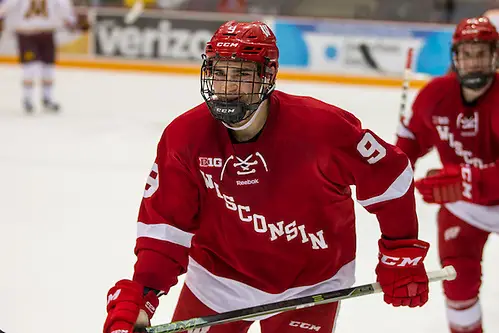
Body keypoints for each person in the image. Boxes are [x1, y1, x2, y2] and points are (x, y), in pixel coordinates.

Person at [104, 20, 430, 333]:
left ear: (267, 75)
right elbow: (166, 229)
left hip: (311, 283)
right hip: (217, 281)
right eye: (219, 73)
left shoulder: (322, 129)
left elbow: (390, 175)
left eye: (243, 74)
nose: (229, 87)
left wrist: (399, 252)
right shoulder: (184, 137)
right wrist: (144, 294)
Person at [396, 16, 499, 333]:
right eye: (467, 53)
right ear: (455, 57)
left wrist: (467, 180)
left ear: (495, 56)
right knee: (458, 286)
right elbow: (409, 143)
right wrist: (394, 170)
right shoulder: (434, 96)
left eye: (481, 53)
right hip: (464, 210)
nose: (474, 61)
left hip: (475, 194)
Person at [0, 0, 88, 113]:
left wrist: (73, 23)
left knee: (48, 67)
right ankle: (28, 98)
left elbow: (64, 10)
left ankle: (47, 98)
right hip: (27, 34)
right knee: (30, 67)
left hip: (45, 34)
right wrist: (73, 22)